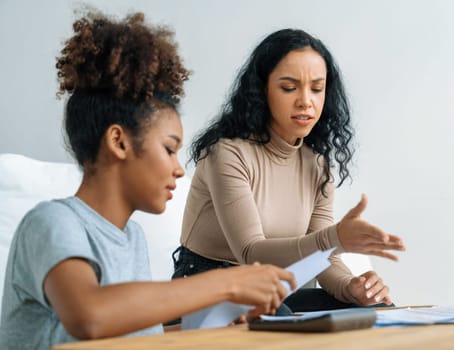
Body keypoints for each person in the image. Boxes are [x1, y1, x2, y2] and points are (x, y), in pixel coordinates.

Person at [0, 11, 296, 350]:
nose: (179, 168)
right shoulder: (51, 222)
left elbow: (135, 337)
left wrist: (214, 322)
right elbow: (89, 316)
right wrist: (227, 282)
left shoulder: (132, 238)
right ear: (119, 142)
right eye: (169, 149)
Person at [172, 28, 405, 312]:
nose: (306, 101)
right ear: (262, 90)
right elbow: (250, 253)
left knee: (377, 307)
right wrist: (335, 239)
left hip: (280, 291)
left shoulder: (318, 165)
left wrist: (352, 288)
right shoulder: (227, 153)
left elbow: (323, 258)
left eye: (317, 89)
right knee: (279, 317)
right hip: (209, 287)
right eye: (289, 88)